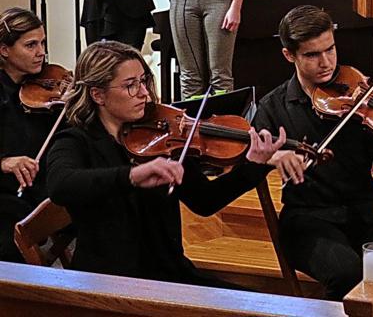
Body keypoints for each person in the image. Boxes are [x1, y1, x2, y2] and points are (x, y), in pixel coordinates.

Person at [253, 6, 373, 312]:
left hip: (366, 213)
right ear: (289, 55)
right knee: (348, 274)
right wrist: (272, 156)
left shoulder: (357, 95)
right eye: (312, 55)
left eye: (330, 49)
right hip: (309, 221)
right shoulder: (273, 107)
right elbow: (247, 154)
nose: (326, 62)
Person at [46, 41, 283, 285]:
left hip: (169, 274)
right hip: (109, 282)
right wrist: (132, 176)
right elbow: (59, 185)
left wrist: (254, 165)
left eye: (143, 81)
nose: (144, 93)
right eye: (130, 86)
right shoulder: (75, 140)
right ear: (97, 94)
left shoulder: (160, 136)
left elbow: (205, 200)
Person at [0, 8, 51, 263]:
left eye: (42, 43)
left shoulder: (42, 85)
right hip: (8, 191)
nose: (41, 52)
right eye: (31, 45)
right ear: (4, 50)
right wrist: (4, 162)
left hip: (42, 185)